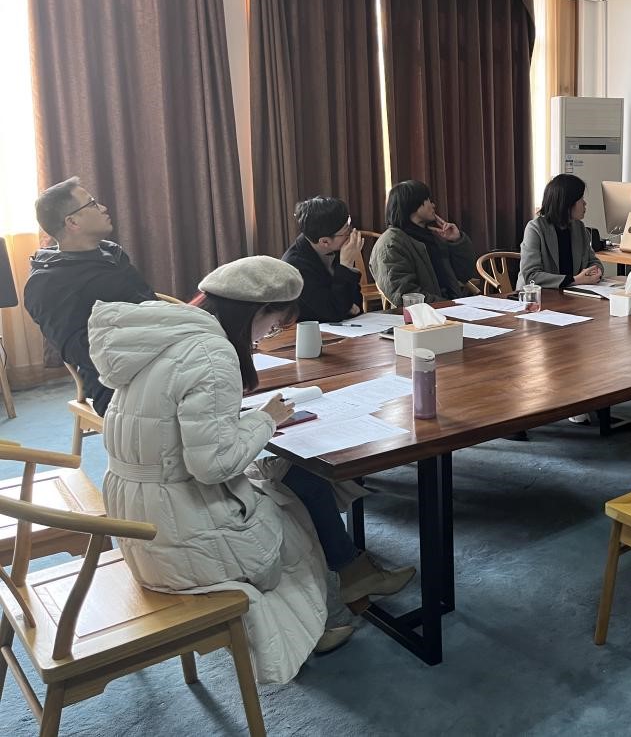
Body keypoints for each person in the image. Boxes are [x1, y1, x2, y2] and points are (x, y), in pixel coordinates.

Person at [87, 256, 415, 682]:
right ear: (257, 312)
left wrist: (248, 421)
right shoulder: (212, 354)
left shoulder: (164, 335)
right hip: (178, 534)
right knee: (296, 509)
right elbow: (213, 465)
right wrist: (266, 420)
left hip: (137, 519)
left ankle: (348, 584)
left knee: (293, 476)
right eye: (274, 325)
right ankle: (321, 618)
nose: (268, 336)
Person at [24, 177, 154, 415]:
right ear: (72, 222)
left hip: (156, 347)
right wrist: (146, 343)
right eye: (93, 204)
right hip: (113, 380)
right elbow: (80, 349)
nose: (103, 208)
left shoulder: (112, 253)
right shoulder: (46, 283)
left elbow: (149, 302)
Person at [369, 180, 478, 304]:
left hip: (451, 307)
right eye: (428, 200)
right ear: (413, 204)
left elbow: (465, 274)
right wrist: (448, 306)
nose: (433, 205)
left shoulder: (433, 237)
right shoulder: (390, 244)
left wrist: (457, 241)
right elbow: (405, 295)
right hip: (427, 313)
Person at [281, 196, 363, 322]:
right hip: (308, 330)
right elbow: (334, 312)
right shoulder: (295, 266)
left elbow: (356, 304)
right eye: (346, 232)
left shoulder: (335, 248)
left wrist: (345, 306)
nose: (351, 234)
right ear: (324, 241)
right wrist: (346, 265)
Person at [518, 174, 604, 289]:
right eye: (581, 199)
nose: (585, 203)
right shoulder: (535, 229)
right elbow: (531, 276)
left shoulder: (579, 228)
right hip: (536, 296)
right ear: (567, 202)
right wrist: (575, 280)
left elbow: (594, 262)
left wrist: (596, 272)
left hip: (570, 293)